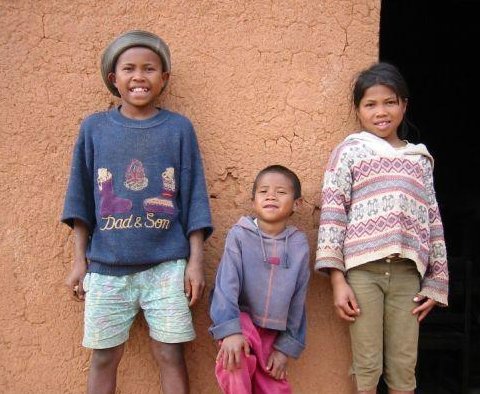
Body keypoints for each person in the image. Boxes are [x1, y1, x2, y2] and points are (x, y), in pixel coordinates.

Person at [61, 30, 213, 394]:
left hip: (167, 266)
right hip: (106, 267)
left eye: (150, 68)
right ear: (114, 79)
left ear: (165, 78)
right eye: (129, 69)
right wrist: (78, 260)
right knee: (103, 357)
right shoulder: (94, 128)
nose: (139, 76)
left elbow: (193, 197)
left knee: (170, 354)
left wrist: (195, 261)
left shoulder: (179, 128)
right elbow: (81, 198)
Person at [315, 62, 449, 394]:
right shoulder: (350, 152)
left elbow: (432, 221)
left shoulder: (419, 160)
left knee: (404, 366)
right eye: (370, 104)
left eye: (390, 102)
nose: (381, 112)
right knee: (367, 365)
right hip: (362, 273)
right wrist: (337, 280)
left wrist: (435, 282)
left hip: (407, 276)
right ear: (358, 110)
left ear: (404, 104)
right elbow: (334, 211)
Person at [209, 165, 310, 394]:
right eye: (263, 191)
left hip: (274, 332)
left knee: (273, 384)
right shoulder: (240, 235)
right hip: (241, 321)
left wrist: (286, 347)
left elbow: (298, 299)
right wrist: (230, 330)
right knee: (235, 361)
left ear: (297, 203)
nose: (271, 196)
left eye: (281, 192)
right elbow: (226, 285)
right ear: (253, 200)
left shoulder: (298, 245)